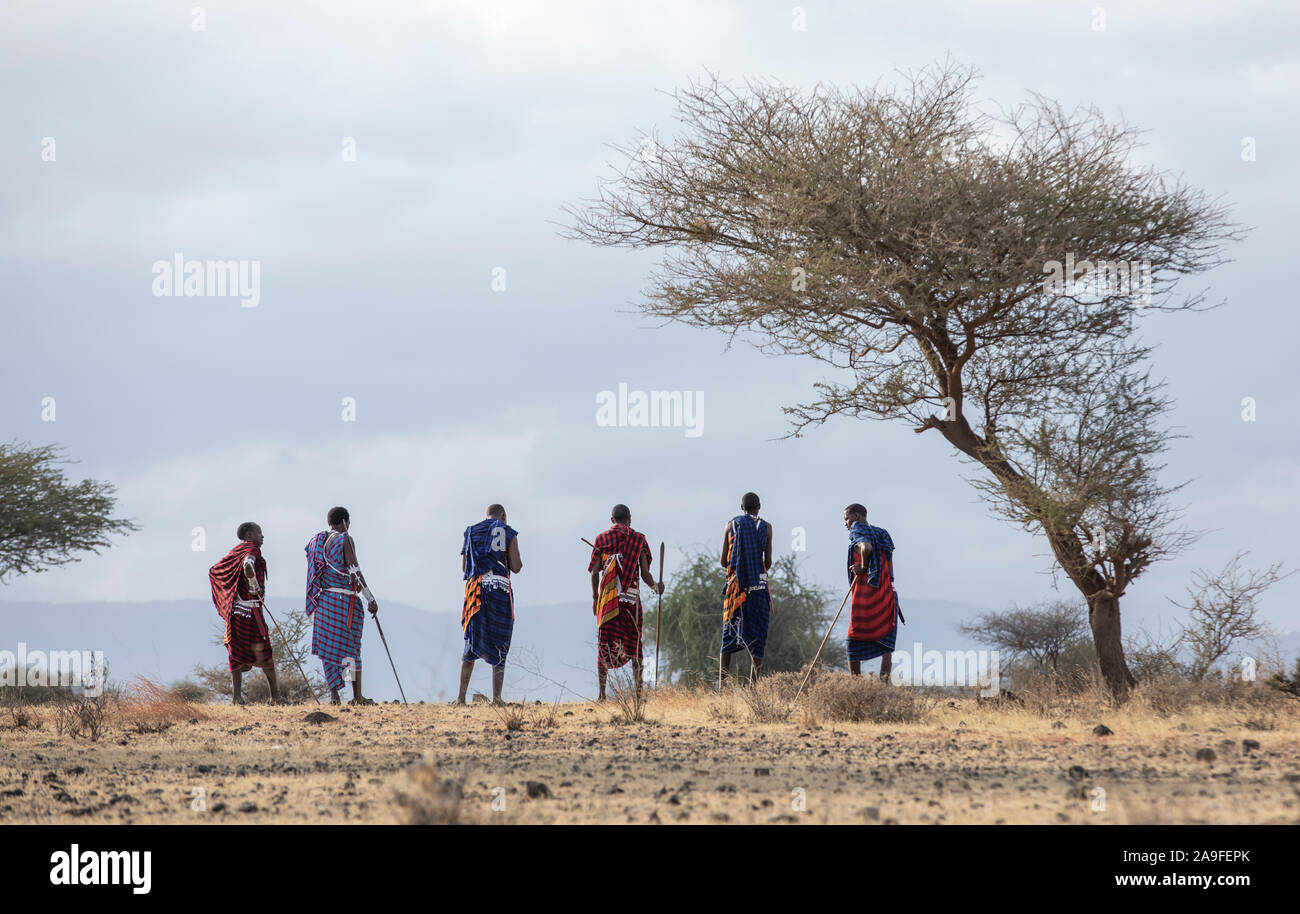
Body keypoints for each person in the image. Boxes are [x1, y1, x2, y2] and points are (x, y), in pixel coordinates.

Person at [588, 504, 663, 701]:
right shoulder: (638, 539)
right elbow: (645, 574)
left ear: (612, 520)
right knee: (635, 644)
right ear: (629, 519)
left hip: (608, 601)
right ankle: (639, 694)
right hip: (631, 601)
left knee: (604, 644)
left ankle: (602, 694)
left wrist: (596, 597)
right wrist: (656, 587)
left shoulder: (601, 539)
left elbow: (595, 572)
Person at [304, 506, 379, 704]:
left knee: (330, 650)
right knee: (350, 649)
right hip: (345, 602)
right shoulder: (345, 539)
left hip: (324, 603)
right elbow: (354, 571)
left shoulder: (314, 542)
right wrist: (370, 598)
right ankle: (356, 696)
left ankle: (335, 696)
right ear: (345, 521)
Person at [208, 522, 280, 704]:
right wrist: (253, 585)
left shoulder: (234, 552)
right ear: (249, 534)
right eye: (259, 532)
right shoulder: (251, 549)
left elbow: (215, 570)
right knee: (265, 652)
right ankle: (276, 697)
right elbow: (248, 565)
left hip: (235, 613)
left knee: (235, 653)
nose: (262, 536)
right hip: (251, 611)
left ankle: (237, 698)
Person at [458, 504, 522, 704]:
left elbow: (464, 567)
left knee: (471, 643)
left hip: (475, 590)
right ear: (504, 516)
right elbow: (516, 567)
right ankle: (497, 698)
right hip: (499, 590)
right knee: (500, 643)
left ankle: (460, 698)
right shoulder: (508, 532)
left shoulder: (471, 531)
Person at [843, 503, 903, 680]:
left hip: (866, 598)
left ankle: (857, 686)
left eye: (847, 518)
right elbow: (890, 563)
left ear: (858, 516)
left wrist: (863, 567)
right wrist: (889, 583)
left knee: (853, 642)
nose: (846, 523)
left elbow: (866, 547)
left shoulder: (857, 529)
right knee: (886, 643)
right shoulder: (882, 533)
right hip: (886, 595)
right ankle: (883, 685)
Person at [719, 492, 773, 684]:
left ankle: (722, 686)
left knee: (729, 634)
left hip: (736, 588)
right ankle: (753, 686)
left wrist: (740, 568)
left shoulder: (730, 525)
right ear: (759, 507)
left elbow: (723, 560)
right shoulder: (766, 528)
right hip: (758, 588)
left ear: (741, 507)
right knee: (758, 633)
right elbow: (768, 561)